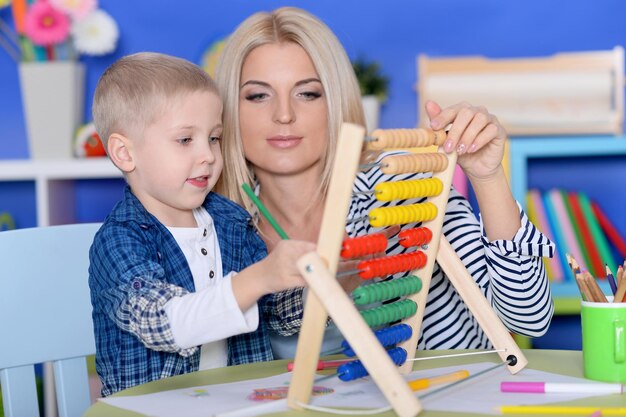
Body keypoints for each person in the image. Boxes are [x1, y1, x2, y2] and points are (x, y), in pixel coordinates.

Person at [214, 7, 555, 358]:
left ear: (335, 102)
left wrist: (487, 176)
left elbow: (528, 318)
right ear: (227, 111)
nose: (283, 114)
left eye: (308, 93)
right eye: (258, 95)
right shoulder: (217, 232)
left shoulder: (407, 191)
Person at [88, 52, 315, 396]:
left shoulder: (232, 222)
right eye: (185, 140)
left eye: (213, 138)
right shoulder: (119, 241)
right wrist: (259, 277)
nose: (208, 155)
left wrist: (329, 283)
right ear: (125, 153)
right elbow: (164, 322)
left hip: (236, 403)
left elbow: (276, 315)